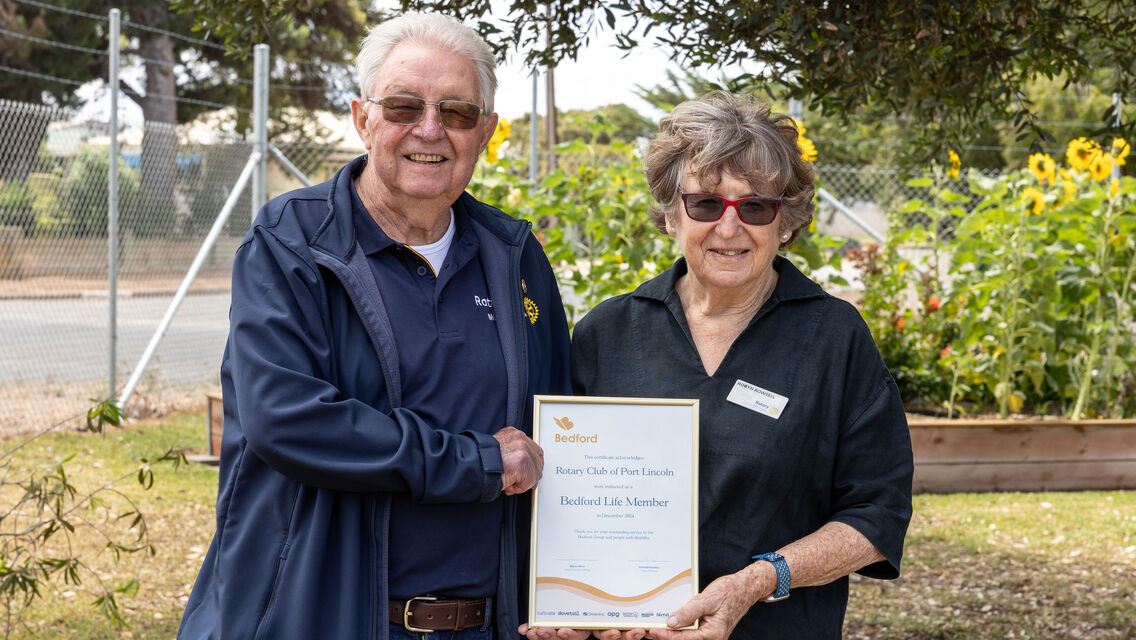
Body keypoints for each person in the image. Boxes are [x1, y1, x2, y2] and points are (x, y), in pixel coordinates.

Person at [178, 13, 570, 640]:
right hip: (319, 620)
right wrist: (474, 462)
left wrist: (572, 595)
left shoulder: (515, 256)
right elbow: (287, 419)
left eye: (457, 112)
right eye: (404, 106)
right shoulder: (292, 243)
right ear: (363, 119)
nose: (430, 130)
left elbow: (556, 430)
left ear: (486, 131)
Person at [560, 92, 913, 640]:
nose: (729, 228)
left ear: (784, 221)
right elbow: (563, 499)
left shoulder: (833, 337)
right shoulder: (608, 334)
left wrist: (758, 580)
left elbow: (877, 514)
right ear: (671, 213)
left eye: (755, 207)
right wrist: (577, 606)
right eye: (705, 204)